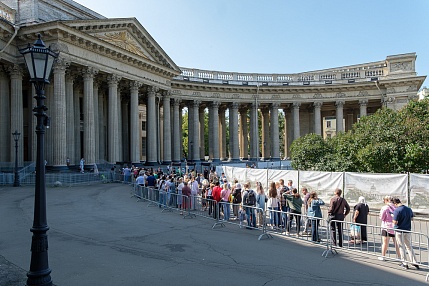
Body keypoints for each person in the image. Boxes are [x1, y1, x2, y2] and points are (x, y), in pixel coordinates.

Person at [393, 198, 419, 269]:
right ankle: (414, 261)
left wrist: (393, 218)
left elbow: (395, 222)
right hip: (407, 230)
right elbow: (412, 218)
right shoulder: (408, 209)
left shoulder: (397, 210)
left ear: (395, 204)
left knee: (401, 247)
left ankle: (404, 263)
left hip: (399, 230)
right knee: (409, 246)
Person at [379, 195, 400, 261]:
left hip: (386, 227)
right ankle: (399, 257)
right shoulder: (396, 207)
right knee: (397, 243)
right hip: (395, 227)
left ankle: (383, 256)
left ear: (387, 200)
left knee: (385, 243)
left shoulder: (385, 208)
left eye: (384, 200)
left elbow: (382, 217)